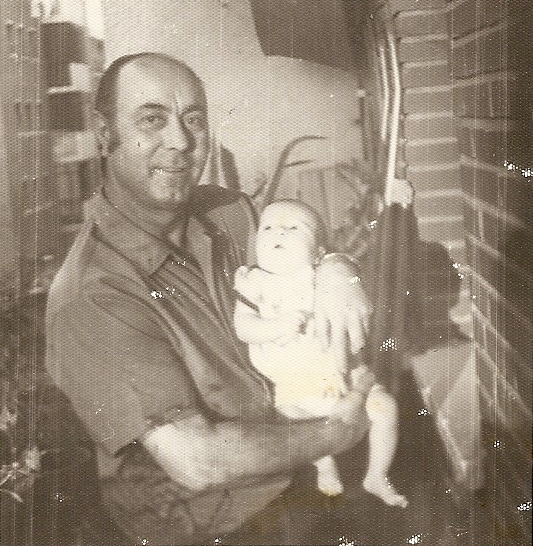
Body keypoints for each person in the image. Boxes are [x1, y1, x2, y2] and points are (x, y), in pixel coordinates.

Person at [45, 52, 374, 546]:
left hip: (301, 480)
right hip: (210, 529)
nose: (181, 141)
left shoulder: (230, 213)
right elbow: (197, 460)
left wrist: (335, 269)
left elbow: (299, 251)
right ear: (104, 133)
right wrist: (339, 431)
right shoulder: (90, 296)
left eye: (193, 119)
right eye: (152, 119)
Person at [233, 199, 408, 508]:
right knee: (293, 420)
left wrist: (343, 275)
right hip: (294, 385)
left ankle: (377, 475)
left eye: (294, 228)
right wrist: (275, 327)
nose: (279, 233)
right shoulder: (254, 282)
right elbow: (244, 328)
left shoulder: (325, 276)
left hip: (344, 376)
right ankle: (324, 463)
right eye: (268, 227)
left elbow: (354, 292)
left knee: (386, 407)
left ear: (318, 253)